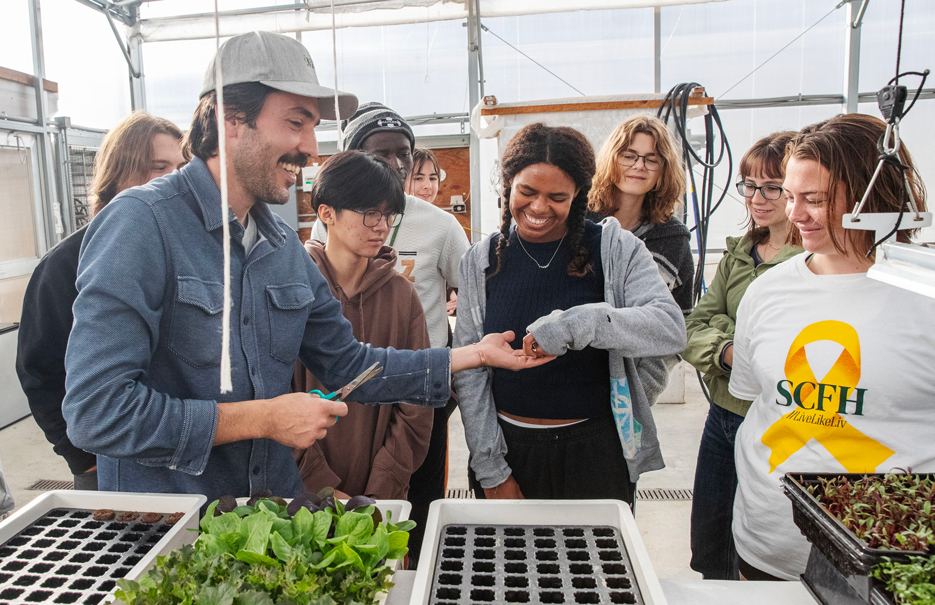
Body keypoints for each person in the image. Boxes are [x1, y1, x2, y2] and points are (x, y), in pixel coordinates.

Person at [61, 31, 549, 504]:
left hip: (274, 529)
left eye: (314, 126)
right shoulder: (142, 225)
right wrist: (262, 419)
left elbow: (352, 366)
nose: (312, 148)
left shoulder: (281, 248)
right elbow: (97, 411)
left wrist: (472, 355)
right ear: (230, 117)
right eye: (297, 123)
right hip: (176, 537)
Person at [729, 113, 934, 581]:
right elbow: (758, 403)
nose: (794, 214)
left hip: (890, 560)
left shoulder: (925, 295)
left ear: (874, 196)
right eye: (791, 196)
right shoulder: (767, 290)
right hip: (767, 549)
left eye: (815, 200)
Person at [454, 122, 686, 504]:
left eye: (557, 196)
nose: (539, 207)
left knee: (596, 564)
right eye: (526, 191)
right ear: (507, 183)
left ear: (578, 194)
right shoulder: (480, 261)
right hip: (509, 449)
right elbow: (471, 377)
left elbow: (670, 329)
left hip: (596, 450)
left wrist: (582, 323)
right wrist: (492, 470)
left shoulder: (615, 248)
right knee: (511, 564)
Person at [310, 104, 469, 564]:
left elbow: (472, 298)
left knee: (404, 541)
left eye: (405, 153)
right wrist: (320, 484)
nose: (397, 164)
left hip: (411, 411)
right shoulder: (299, 282)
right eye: (382, 154)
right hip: (320, 448)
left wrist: (450, 376)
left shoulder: (426, 250)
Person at [16, 111, 187, 492]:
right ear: (116, 176)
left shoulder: (188, 256)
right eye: (159, 167)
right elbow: (39, 371)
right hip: (110, 467)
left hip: (183, 457)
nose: (175, 179)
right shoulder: (65, 264)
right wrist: (82, 460)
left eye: (181, 167)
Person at [682, 131, 803, 580]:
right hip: (722, 413)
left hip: (772, 419)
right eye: (749, 185)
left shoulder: (803, 262)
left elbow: (787, 348)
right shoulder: (740, 253)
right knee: (710, 539)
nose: (758, 197)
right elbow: (692, 326)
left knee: (758, 546)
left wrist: (728, 337)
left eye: (772, 186)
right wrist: (734, 349)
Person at [293, 150, 433, 500]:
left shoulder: (402, 295)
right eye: (370, 213)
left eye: (389, 215)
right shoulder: (292, 290)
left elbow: (418, 403)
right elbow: (275, 395)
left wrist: (385, 484)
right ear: (327, 213)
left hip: (385, 494)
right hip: (302, 495)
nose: (382, 226)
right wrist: (321, 487)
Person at [588, 115, 694, 315]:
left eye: (651, 159)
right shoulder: (578, 222)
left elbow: (681, 320)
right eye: (629, 156)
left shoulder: (674, 240)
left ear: (663, 170)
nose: (639, 166)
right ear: (611, 159)